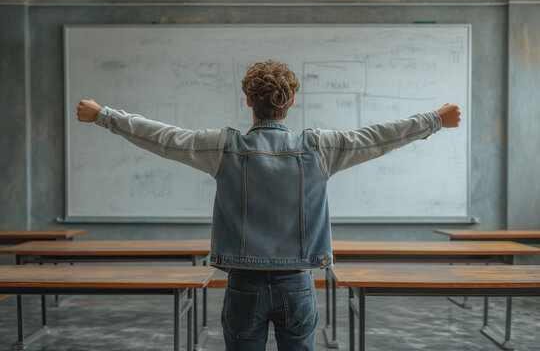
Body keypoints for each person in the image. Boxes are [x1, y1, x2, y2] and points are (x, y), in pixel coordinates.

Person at [77, 59, 461, 351]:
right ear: (291, 101)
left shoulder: (224, 148)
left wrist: (103, 116)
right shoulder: (320, 148)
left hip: (243, 285)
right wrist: (435, 120)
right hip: (299, 284)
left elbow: (163, 137)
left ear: (248, 101)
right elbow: (380, 136)